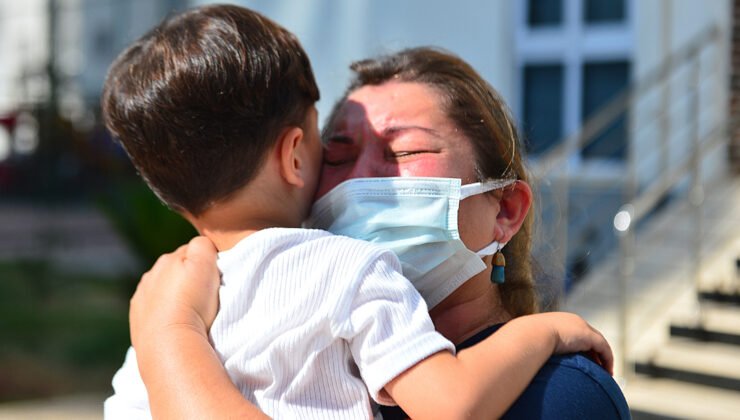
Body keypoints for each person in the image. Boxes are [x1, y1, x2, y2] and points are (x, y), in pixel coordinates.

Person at [101, 5, 614, 420]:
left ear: (504, 210)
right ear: (296, 158)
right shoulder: (336, 284)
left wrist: (169, 337)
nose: (361, 179)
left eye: (403, 153)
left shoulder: (559, 395)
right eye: (339, 154)